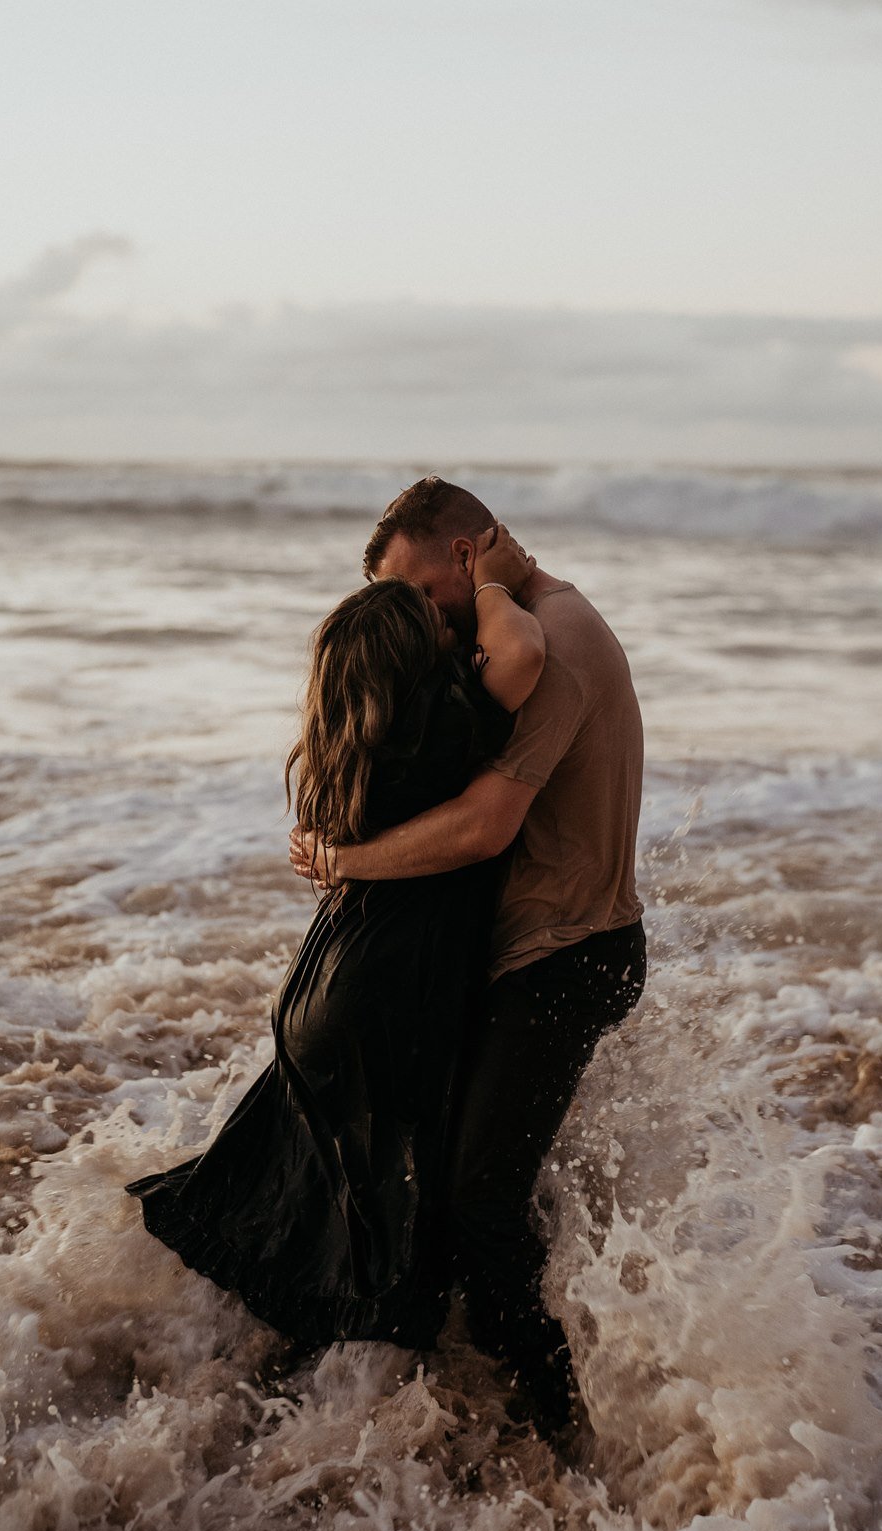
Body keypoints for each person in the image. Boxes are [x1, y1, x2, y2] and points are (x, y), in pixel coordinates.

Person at [126, 529, 546, 1349]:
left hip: (325, 981)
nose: (450, 629)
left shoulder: (349, 747)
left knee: (311, 1205)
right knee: (392, 1236)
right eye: (432, 626)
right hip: (387, 987)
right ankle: (388, 1404)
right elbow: (524, 653)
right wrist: (492, 583)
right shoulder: (439, 728)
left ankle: (246, 1374)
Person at [291, 478, 646, 1431]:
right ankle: (468, 1404)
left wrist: (345, 861)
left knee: (478, 1207)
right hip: (541, 953)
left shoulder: (550, 644)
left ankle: (560, 1430)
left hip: (562, 959)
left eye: (420, 593)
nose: (418, 621)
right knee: (461, 1190)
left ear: (468, 555)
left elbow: (485, 828)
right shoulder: (520, 625)